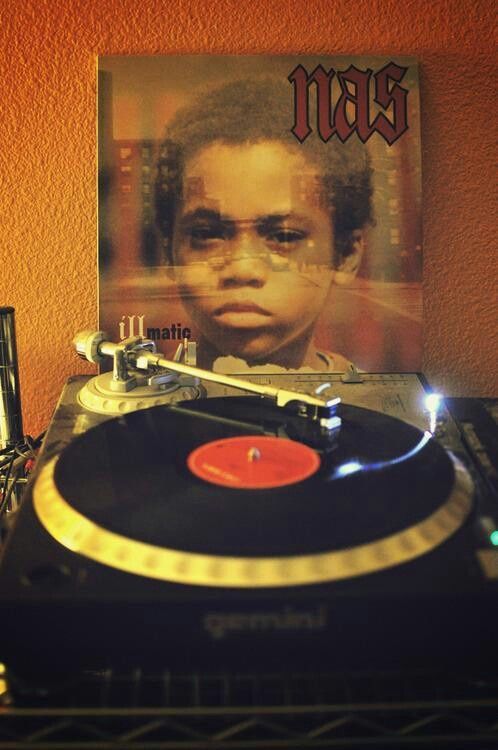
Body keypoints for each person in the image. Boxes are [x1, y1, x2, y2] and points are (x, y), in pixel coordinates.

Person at [155, 77, 373, 371]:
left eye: (283, 237)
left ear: (346, 255)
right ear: (169, 251)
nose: (243, 270)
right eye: (207, 234)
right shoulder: (139, 405)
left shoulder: (369, 404)